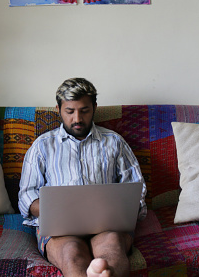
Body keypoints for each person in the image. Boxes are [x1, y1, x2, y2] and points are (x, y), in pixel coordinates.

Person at [19, 78, 147, 277]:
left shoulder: (114, 142)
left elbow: (136, 188)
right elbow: (26, 195)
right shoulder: (42, 146)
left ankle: (101, 271)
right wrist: (54, 211)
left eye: (84, 110)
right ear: (58, 109)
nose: (77, 118)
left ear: (94, 107)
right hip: (61, 230)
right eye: (69, 111)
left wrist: (124, 210)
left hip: (107, 226)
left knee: (111, 251)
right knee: (72, 254)